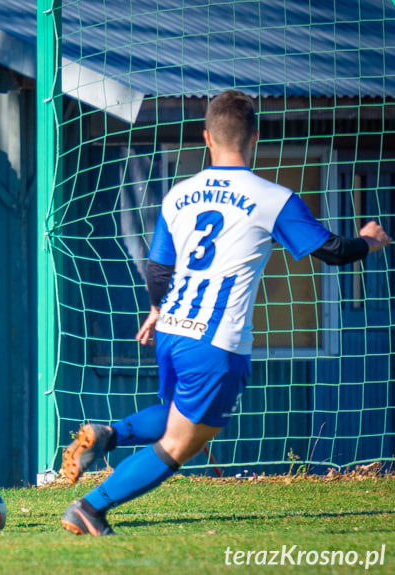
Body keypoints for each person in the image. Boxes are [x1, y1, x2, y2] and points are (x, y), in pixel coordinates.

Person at [60, 90, 391, 536]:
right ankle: (91, 507)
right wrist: (369, 239)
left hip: (174, 329)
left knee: (179, 414)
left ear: (205, 138)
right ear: (254, 135)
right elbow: (332, 250)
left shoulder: (180, 194)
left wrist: (159, 309)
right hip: (216, 340)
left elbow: (158, 268)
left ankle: (109, 434)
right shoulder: (272, 197)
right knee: (180, 445)